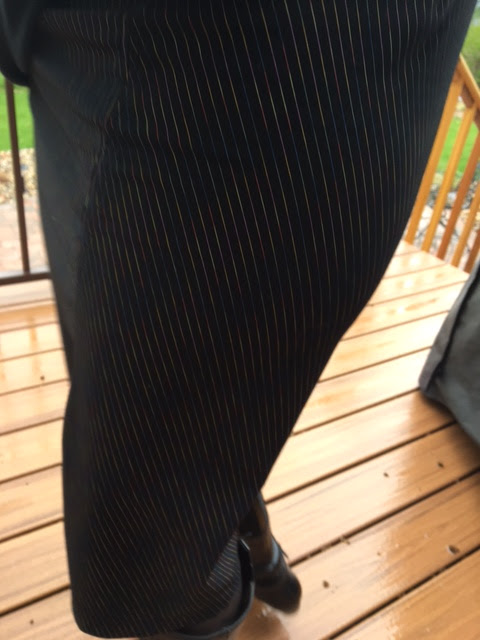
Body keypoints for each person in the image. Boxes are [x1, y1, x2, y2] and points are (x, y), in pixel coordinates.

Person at [0, 1, 476, 638]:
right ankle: (244, 533)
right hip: (364, 96)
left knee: (144, 553)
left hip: (193, 82)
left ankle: (212, 588)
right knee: (212, 395)